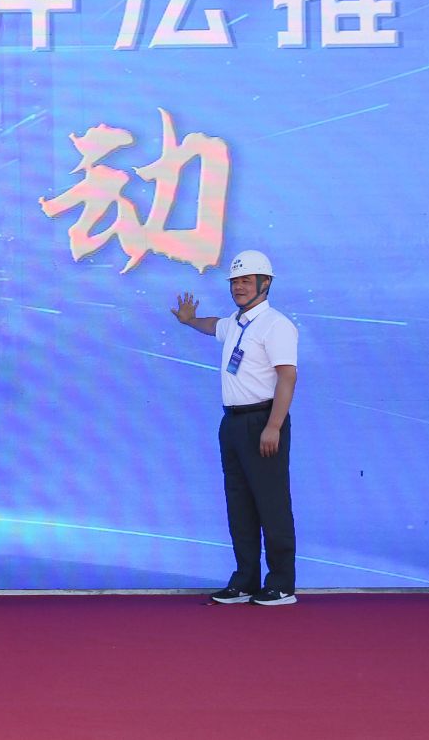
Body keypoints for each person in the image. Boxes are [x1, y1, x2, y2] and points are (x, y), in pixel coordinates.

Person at [172, 250, 300, 606]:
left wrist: (274, 426)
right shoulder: (236, 323)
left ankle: (281, 584)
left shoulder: (276, 325)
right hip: (232, 422)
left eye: (246, 281)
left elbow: (287, 377)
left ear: (265, 283)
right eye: (235, 282)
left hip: (263, 420)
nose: (239, 287)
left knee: (271, 503)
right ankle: (245, 580)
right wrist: (189, 321)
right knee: (239, 504)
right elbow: (213, 325)